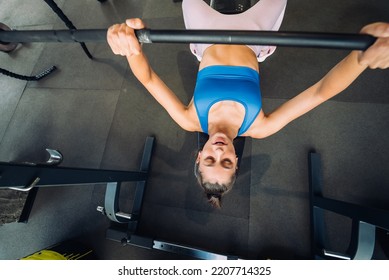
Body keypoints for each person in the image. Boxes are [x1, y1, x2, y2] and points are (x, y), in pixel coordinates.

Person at [107, 0, 389, 208]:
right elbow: (320, 93)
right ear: (237, 162)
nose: (218, 151)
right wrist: (360, 60)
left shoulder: (190, 119)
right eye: (226, 161)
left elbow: (148, 79)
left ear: (198, 157)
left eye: (209, 160)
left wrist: (131, 47)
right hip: (255, 37)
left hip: (205, 37)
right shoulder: (260, 126)